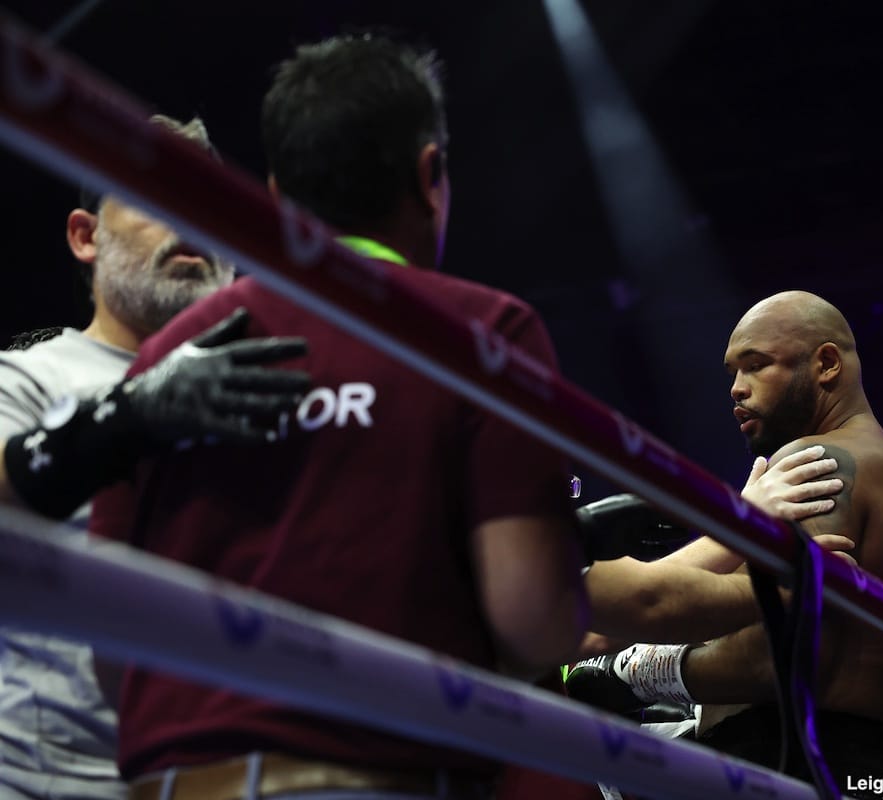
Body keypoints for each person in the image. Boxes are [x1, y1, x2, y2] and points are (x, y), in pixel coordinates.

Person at [89, 33, 589, 800]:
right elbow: (536, 625)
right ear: (431, 177)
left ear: (277, 195)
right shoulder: (482, 333)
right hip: (382, 775)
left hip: (174, 784)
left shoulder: (168, 354)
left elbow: (114, 651)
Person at [0, 115, 309, 800]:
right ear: (86, 236)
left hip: (246, 774)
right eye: (155, 198)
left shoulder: (278, 384)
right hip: (61, 782)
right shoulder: (25, 376)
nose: (189, 223)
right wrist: (126, 420)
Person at [572, 291, 883, 799]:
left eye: (756, 366)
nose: (736, 389)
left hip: (787, 762)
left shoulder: (820, 465)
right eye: (733, 372)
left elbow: (779, 655)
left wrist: (644, 674)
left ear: (827, 364)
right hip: (851, 764)